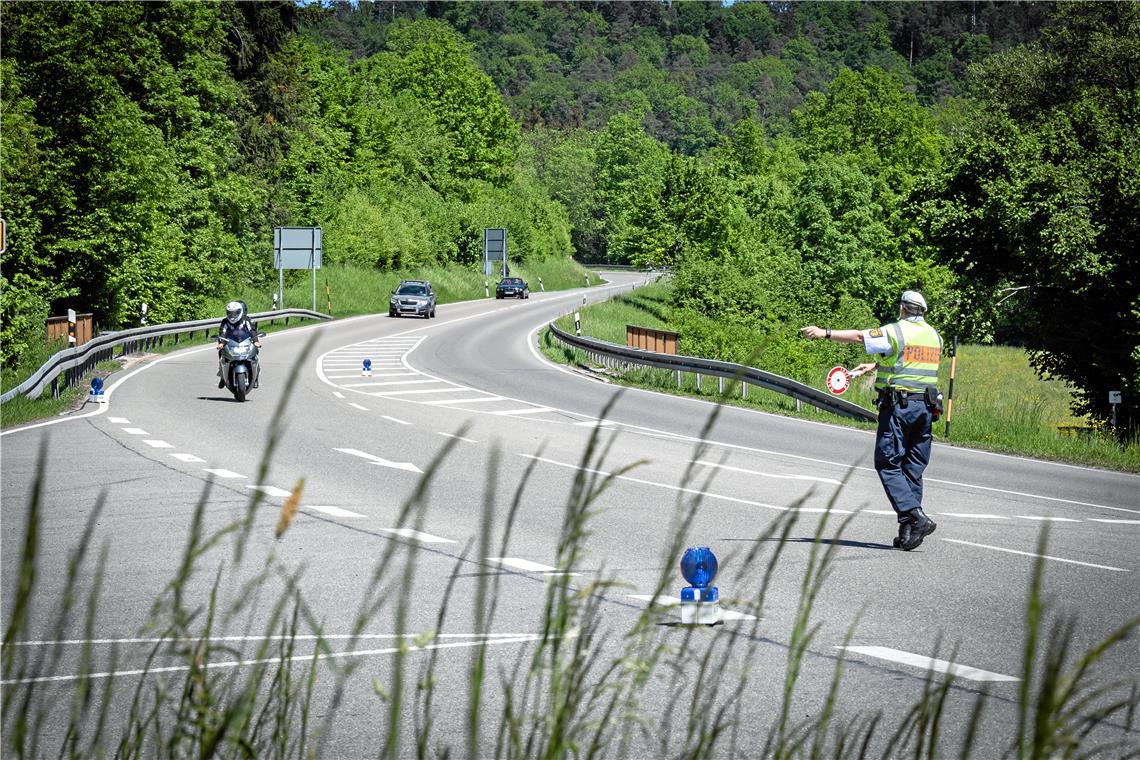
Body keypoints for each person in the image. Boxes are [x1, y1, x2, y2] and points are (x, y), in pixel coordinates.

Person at [800, 290, 944, 551]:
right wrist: (874, 366)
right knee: (912, 467)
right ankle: (909, 533)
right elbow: (907, 360)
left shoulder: (895, 331)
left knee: (888, 463)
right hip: (925, 407)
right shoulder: (935, 336)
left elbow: (859, 336)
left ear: (902, 308)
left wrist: (825, 332)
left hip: (899, 407)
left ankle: (915, 516)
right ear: (921, 311)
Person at [216, 300, 261, 389]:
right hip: (230, 343)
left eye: (235, 313)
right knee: (221, 353)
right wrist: (221, 343)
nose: (232, 316)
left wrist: (256, 341)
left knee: (256, 352)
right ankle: (222, 376)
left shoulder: (246, 320)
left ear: (240, 312)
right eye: (230, 313)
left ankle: (256, 378)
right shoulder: (225, 322)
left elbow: (252, 330)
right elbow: (222, 332)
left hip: (245, 342)